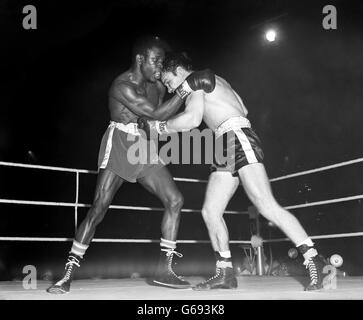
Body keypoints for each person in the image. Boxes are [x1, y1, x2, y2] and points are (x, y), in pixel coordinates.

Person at [138, 52, 327, 291]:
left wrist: (159, 127)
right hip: (225, 142)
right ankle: (225, 272)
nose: (169, 87)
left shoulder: (195, 81)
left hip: (236, 137)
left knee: (265, 204)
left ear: (178, 72)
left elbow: (193, 120)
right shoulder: (217, 80)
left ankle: (314, 259)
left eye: (168, 81)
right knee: (210, 211)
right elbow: (244, 107)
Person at [47, 37, 215, 294]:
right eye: (155, 61)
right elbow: (156, 114)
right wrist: (186, 89)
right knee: (99, 208)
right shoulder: (121, 85)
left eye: (161, 61)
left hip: (144, 145)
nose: (160, 67)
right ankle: (67, 273)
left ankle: (164, 270)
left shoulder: (158, 85)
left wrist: (188, 85)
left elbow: (164, 115)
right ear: (140, 59)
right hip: (120, 143)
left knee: (175, 200)